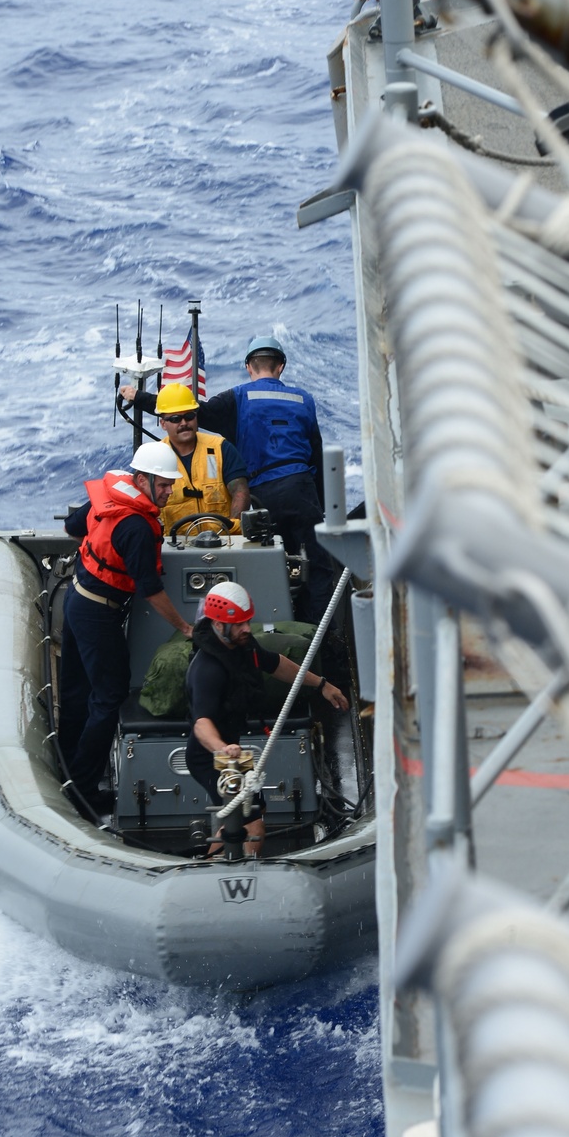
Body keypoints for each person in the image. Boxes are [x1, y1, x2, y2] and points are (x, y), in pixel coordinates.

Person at [122, 335, 334, 622]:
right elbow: (317, 454)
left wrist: (138, 397)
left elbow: (200, 411)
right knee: (316, 567)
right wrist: (319, 505)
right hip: (302, 489)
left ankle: (269, 623)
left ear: (249, 366)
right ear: (281, 366)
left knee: (267, 564)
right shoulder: (303, 399)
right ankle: (318, 636)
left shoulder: (239, 397)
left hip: (264, 495)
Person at [59, 441, 193, 817]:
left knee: (75, 690)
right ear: (141, 480)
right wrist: (184, 626)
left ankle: (66, 768)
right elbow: (150, 589)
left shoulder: (111, 498)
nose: (169, 492)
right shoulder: (136, 526)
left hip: (77, 597)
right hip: (99, 613)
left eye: (170, 485)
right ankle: (84, 789)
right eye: (163, 485)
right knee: (109, 695)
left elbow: (74, 528)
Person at [185, 581, 348, 855]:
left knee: (250, 813)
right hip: (212, 758)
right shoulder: (207, 670)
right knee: (254, 827)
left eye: (247, 622)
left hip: (232, 754)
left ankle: (210, 862)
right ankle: (239, 880)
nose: (247, 629)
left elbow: (276, 664)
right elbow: (201, 724)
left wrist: (321, 684)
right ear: (218, 624)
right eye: (238, 624)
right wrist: (222, 749)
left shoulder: (240, 646)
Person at [151, 381, 249, 536]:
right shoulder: (154, 457)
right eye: (176, 419)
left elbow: (240, 490)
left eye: (189, 416)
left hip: (223, 546)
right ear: (163, 423)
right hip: (174, 550)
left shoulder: (221, 448)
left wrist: (233, 535)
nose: (184, 423)